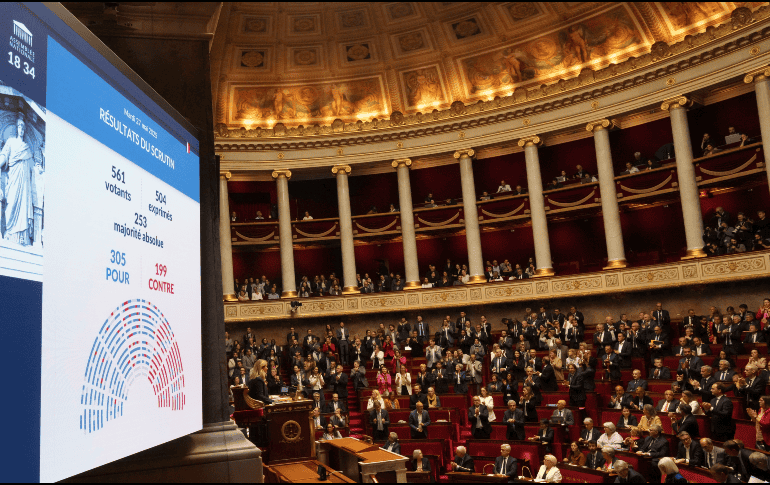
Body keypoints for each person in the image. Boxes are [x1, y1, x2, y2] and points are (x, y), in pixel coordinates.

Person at [0, 118, 35, 246]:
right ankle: (9, 232)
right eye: (19, 127)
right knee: (11, 203)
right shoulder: (11, 142)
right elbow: (4, 156)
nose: (21, 129)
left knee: (23, 205)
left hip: (24, 184)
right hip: (13, 179)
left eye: (23, 127)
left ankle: (22, 237)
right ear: (16, 128)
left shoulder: (27, 148)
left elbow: (33, 169)